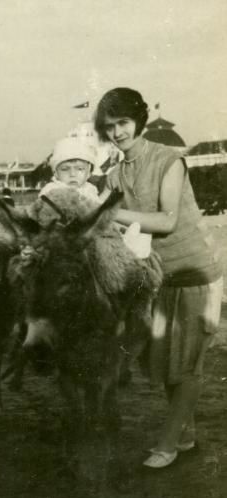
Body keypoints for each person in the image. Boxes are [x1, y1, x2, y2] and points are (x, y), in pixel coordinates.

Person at [93, 87, 223, 468]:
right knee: (166, 362)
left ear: (139, 120)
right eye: (110, 126)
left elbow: (167, 220)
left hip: (193, 270)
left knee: (187, 364)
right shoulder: (115, 174)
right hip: (156, 276)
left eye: (123, 123)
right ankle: (186, 434)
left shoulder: (169, 160)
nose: (117, 132)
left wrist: (109, 213)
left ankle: (166, 444)